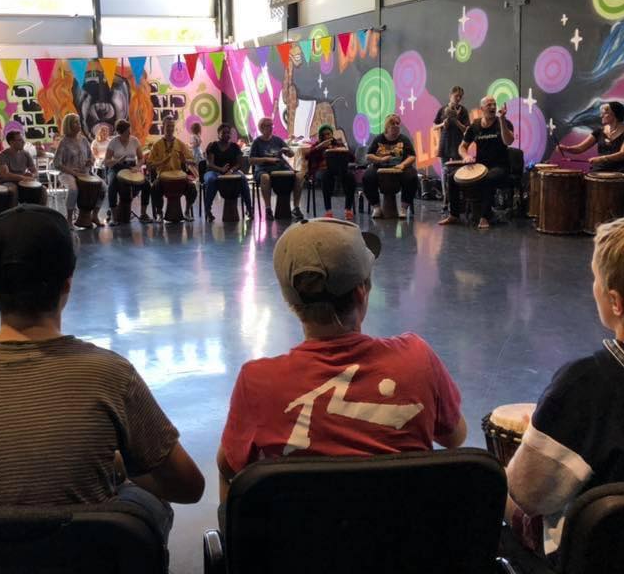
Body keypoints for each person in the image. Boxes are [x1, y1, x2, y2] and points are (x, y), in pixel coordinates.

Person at [0, 205, 204, 543]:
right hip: (82, 562)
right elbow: (189, 487)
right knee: (144, 503)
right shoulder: (111, 374)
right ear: (67, 284)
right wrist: (120, 467)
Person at [216, 218, 466, 506]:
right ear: (361, 292)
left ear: (290, 300)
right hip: (407, 533)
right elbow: (454, 437)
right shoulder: (417, 358)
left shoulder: (257, 382)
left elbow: (230, 465)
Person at [505, 212, 624, 558]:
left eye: (595, 278)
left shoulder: (587, 384)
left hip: (602, 557)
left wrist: (542, 428)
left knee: (499, 496)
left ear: (616, 302)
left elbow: (527, 495)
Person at [439, 95, 515, 230]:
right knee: (452, 177)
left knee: (488, 178)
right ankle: (454, 215)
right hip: (479, 166)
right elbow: (462, 147)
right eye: (489, 105)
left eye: (494, 104)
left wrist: (502, 119)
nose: (493, 107)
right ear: (482, 109)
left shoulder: (504, 123)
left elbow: (508, 141)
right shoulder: (475, 125)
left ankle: (485, 217)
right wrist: (466, 156)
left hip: (500, 167)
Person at [557, 101, 624, 178]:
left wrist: (602, 158)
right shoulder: (599, 131)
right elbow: (580, 148)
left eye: (605, 113)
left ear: (614, 114)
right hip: (601, 168)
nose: (601, 116)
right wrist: (565, 148)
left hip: (622, 169)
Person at [363, 114, 420, 220]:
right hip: (379, 166)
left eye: (397, 123)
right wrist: (380, 159)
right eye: (392, 123)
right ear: (387, 126)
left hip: (400, 167)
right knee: (367, 177)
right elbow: (368, 156)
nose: (396, 125)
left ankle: (404, 208)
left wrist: (403, 165)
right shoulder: (379, 138)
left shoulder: (404, 139)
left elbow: (412, 156)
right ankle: (376, 207)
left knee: (412, 177)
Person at [54, 113, 106, 228]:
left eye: (79, 122)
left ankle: (95, 215)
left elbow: (92, 156)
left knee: (103, 187)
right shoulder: (64, 142)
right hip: (68, 174)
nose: (79, 124)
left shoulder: (83, 140)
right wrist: (73, 173)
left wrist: (90, 161)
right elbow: (57, 163)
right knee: (73, 190)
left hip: (85, 173)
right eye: (76, 122)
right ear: (69, 125)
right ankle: (69, 219)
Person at [249, 117, 304, 220]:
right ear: (261, 128)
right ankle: (268, 209)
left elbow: (291, 154)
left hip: (281, 168)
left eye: (271, 125)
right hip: (263, 169)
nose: (271, 127)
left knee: (299, 176)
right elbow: (251, 160)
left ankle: (296, 208)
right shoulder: (257, 142)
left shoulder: (278, 140)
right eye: (268, 126)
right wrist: (267, 159)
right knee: (265, 177)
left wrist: (287, 151)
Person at [147, 117, 197, 221]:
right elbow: (149, 165)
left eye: (172, 126)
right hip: (163, 178)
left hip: (179, 178)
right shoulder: (157, 145)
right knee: (154, 188)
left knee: (192, 188)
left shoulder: (180, 143)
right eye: (168, 126)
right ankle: (160, 213)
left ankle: (187, 212)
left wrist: (185, 161)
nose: (170, 128)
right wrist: (162, 162)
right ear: (163, 127)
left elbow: (193, 161)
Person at [103, 119, 152, 224]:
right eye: (127, 131)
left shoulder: (134, 140)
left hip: (131, 168)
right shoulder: (113, 142)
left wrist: (137, 167)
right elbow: (106, 161)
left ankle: (143, 214)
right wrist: (117, 161)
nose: (129, 133)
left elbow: (141, 158)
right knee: (112, 185)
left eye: (129, 130)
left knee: (146, 185)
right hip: (117, 167)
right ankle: (114, 217)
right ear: (120, 132)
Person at [203, 123, 252, 222]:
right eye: (223, 133)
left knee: (243, 178)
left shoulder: (234, 146)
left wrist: (231, 170)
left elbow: (239, 164)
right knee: (211, 180)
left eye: (228, 133)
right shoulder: (213, 146)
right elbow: (210, 164)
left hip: (231, 172)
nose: (226, 134)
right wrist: (221, 169)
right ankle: (208, 210)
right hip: (214, 171)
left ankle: (249, 209)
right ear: (218, 134)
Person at [433, 86, 470, 211]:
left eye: (460, 96)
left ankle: (455, 200)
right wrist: (443, 124)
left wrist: (456, 120)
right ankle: (445, 199)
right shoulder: (443, 109)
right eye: (456, 96)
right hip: (445, 142)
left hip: (458, 143)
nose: (458, 98)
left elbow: (466, 129)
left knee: (456, 172)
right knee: (444, 172)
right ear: (450, 96)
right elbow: (434, 126)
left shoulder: (463, 111)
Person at [304, 124, 350, 219]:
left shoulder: (338, 143)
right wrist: (319, 147)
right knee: (326, 177)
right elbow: (307, 156)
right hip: (322, 170)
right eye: (324, 135)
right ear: (321, 136)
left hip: (338, 169)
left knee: (350, 177)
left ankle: (348, 209)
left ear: (332, 134)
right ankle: (328, 210)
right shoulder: (317, 145)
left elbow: (352, 158)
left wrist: (343, 151)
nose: (326, 136)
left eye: (328, 134)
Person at [0, 130, 38, 207]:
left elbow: (35, 171)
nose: (23, 142)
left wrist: (32, 175)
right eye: (19, 140)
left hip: (22, 182)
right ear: (11, 142)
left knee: (42, 190)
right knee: (13, 189)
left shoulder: (26, 154)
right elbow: (5, 175)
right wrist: (23, 178)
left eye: (22, 140)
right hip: (6, 182)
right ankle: (14, 213)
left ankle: (38, 212)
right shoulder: (2, 155)